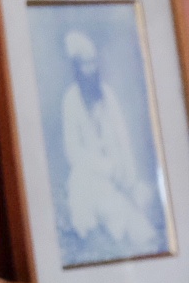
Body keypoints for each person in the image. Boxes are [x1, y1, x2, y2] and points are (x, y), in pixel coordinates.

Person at [60, 29, 163, 260]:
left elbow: (122, 138)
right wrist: (104, 168)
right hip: (88, 174)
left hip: (117, 173)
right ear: (77, 68)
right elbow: (72, 152)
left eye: (94, 62)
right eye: (86, 64)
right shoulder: (70, 100)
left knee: (139, 220)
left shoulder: (107, 94)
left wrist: (126, 172)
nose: (91, 69)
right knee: (98, 205)